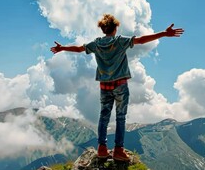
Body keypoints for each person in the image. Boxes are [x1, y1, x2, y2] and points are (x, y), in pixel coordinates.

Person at [51, 14, 184, 161]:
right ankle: (118, 150)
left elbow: (78, 49)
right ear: (115, 28)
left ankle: (102, 148)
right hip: (120, 85)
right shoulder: (120, 41)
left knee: (104, 116)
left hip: (104, 86)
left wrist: (62, 48)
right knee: (120, 117)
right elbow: (140, 40)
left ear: (103, 29)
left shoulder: (96, 44)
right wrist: (164, 34)